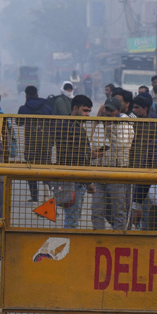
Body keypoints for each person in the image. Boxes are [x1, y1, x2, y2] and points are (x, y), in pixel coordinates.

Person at [88, 100, 133, 230]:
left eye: (111, 110)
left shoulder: (126, 124)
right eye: (106, 109)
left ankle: (118, 238)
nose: (108, 113)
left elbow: (122, 145)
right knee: (97, 210)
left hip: (117, 172)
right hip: (100, 173)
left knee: (118, 210)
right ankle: (98, 237)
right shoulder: (100, 124)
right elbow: (94, 143)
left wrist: (109, 129)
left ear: (118, 111)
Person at [53, 94, 94, 228]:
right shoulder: (71, 128)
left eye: (89, 111)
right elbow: (74, 156)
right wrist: (88, 181)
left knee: (71, 218)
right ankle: (69, 245)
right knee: (72, 220)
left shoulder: (71, 126)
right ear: (75, 108)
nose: (87, 115)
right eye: (85, 110)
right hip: (74, 180)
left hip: (73, 179)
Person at [16, 85, 53, 202]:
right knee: (46, 168)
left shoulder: (23, 109)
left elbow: (18, 123)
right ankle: (47, 193)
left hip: (30, 144)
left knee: (31, 169)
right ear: (37, 95)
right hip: (46, 144)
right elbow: (53, 124)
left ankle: (34, 196)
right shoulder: (47, 108)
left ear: (26, 96)